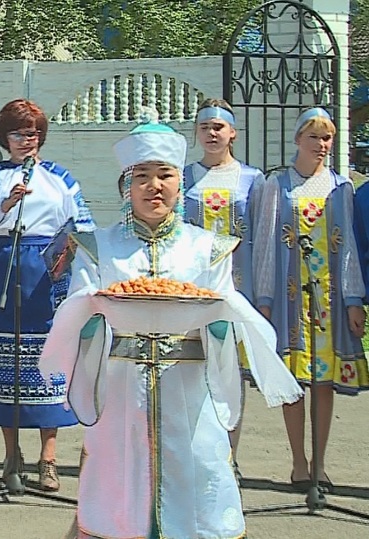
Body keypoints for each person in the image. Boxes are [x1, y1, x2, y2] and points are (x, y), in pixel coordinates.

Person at [41, 114, 303, 539]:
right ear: (126, 187)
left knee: (196, 474)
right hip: (122, 388)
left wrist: (219, 321)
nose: (153, 186)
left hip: (189, 387)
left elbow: (220, 314)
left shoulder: (209, 248)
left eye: (164, 175)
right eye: (141, 177)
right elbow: (80, 309)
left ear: (179, 184)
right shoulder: (98, 246)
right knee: (119, 477)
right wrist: (94, 314)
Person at [0, 98, 95, 491]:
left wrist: (73, 255)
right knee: (6, 360)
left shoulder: (60, 178)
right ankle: (11, 454)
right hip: (0, 264)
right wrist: (6, 202)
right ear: (5, 137)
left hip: (45, 268)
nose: (27, 141)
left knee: (47, 357)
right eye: (19, 133)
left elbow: (81, 222)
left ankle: (48, 458)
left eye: (33, 133)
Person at [250, 107, 367, 493]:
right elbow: (266, 243)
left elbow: (348, 245)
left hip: (328, 299)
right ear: (298, 140)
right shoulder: (277, 184)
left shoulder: (340, 186)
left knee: (323, 382)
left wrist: (353, 298)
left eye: (327, 138)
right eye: (314, 137)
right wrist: (264, 300)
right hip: (288, 298)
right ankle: (298, 461)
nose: (321, 145)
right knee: (294, 380)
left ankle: (320, 462)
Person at [182, 98, 265, 477]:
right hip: (193, 288)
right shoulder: (184, 177)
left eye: (219, 126)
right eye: (205, 127)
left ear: (232, 132)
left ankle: (229, 453)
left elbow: (263, 240)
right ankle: (195, 452)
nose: (212, 133)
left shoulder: (252, 179)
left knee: (230, 370)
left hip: (236, 287)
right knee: (194, 367)